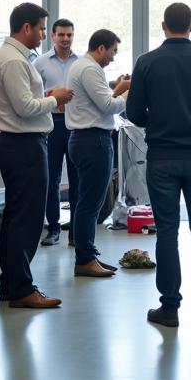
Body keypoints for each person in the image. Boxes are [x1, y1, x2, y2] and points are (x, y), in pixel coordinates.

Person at [126, 2, 191, 327]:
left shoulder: (146, 63)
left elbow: (134, 113)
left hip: (161, 159)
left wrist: (159, 122)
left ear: (163, 25)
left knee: (167, 233)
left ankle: (169, 308)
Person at [0, 2, 73, 309]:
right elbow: (25, 108)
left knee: (16, 218)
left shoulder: (15, 57)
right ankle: (22, 288)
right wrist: (54, 98)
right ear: (26, 28)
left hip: (20, 145)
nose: (42, 35)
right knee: (27, 220)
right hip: (23, 146)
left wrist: (46, 98)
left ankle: (11, 284)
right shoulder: (13, 61)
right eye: (40, 29)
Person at [65, 29, 131, 279]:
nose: (113, 58)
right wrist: (125, 91)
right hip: (93, 141)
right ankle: (84, 259)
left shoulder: (82, 66)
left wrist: (115, 87)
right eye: (113, 51)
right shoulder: (90, 69)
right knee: (90, 205)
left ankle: (88, 254)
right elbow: (108, 106)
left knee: (86, 202)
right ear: (101, 48)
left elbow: (98, 101)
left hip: (84, 139)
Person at [34, 18, 79, 247]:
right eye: (61, 35)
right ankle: (53, 228)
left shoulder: (80, 63)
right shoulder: (40, 63)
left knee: (76, 178)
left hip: (75, 126)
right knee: (51, 178)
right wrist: (51, 97)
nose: (65, 39)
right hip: (50, 125)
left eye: (69, 35)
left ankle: (76, 230)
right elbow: (32, 95)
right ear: (52, 36)